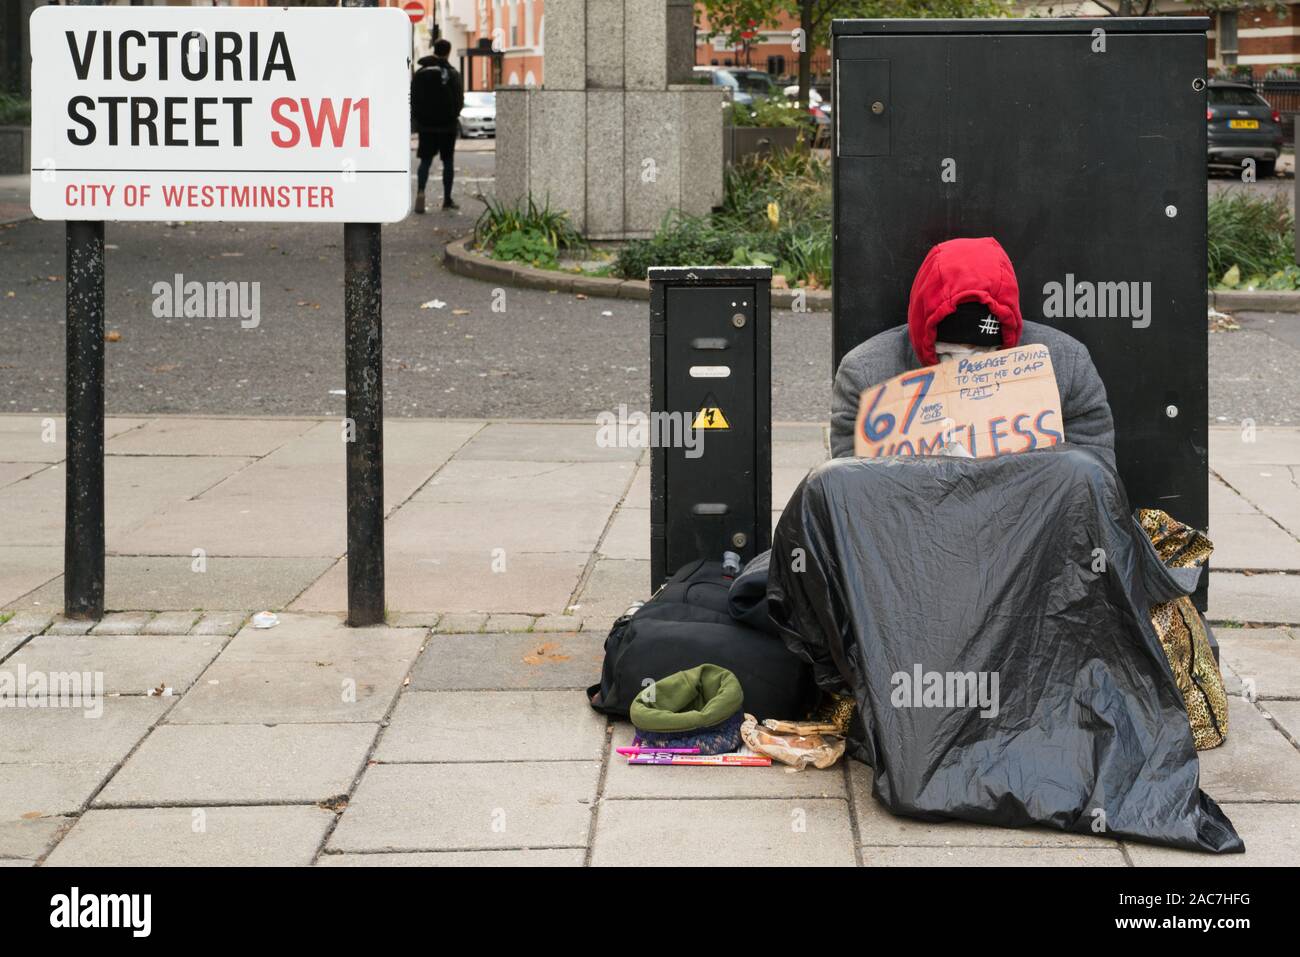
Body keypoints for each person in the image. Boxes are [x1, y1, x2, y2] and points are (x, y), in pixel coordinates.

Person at [830, 237, 1115, 467]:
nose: (965, 369)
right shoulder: (865, 375)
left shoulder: (1066, 364)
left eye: (983, 355)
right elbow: (854, 494)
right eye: (947, 355)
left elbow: (1092, 476)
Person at [410, 38, 464, 213]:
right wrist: (453, 116)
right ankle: (447, 199)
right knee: (448, 162)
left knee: (425, 161)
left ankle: (420, 192)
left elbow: (414, 99)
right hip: (447, 126)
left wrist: (418, 120)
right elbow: (459, 100)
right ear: (448, 52)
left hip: (426, 126)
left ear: (434, 50)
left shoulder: (421, 73)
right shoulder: (452, 73)